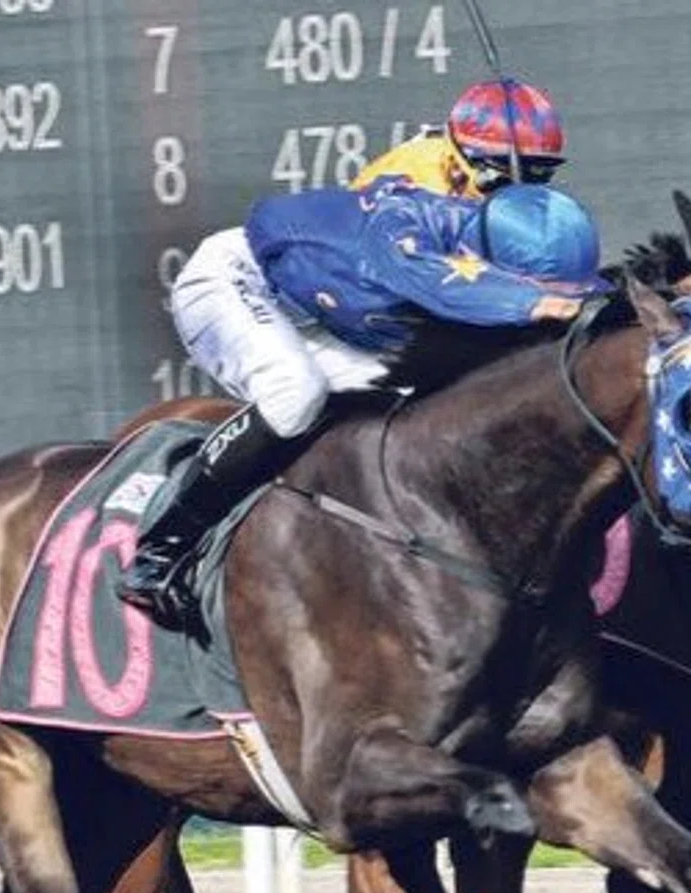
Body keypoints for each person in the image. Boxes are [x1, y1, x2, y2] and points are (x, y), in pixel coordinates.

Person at [119, 178, 606, 629]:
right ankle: (161, 546)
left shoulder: (489, 244)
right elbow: (431, 280)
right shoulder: (403, 232)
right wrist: (532, 304)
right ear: (500, 266)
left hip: (326, 314)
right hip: (239, 284)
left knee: (414, 406)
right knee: (295, 392)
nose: (551, 302)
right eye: (542, 290)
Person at [351, 76, 566, 200]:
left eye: (538, 175)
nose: (519, 191)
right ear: (459, 160)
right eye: (502, 180)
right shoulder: (414, 193)